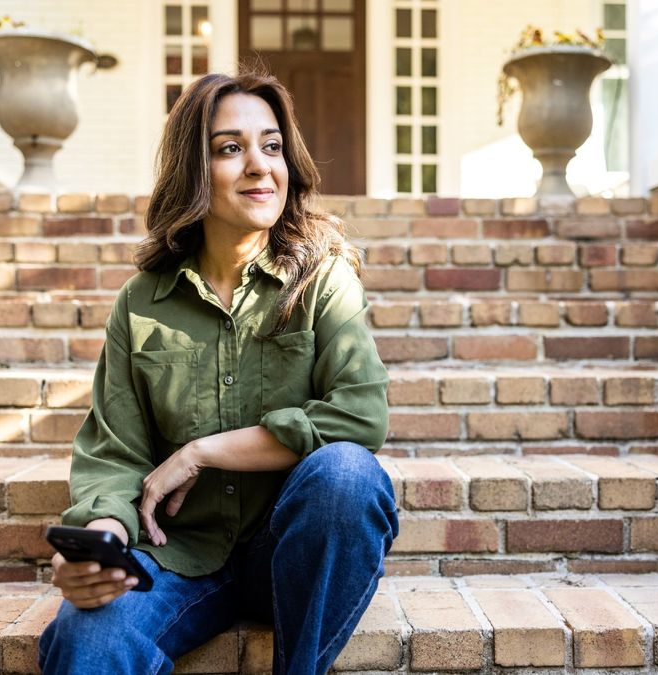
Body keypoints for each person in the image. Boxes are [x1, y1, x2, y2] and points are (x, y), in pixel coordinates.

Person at [36, 69, 397, 675]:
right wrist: (100, 542)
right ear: (193, 171)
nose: (260, 166)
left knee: (346, 475)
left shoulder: (323, 281)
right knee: (88, 639)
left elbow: (360, 416)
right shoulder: (141, 303)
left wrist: (203, 451)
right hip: (175, 555)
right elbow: (115, 453)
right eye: (231, 148)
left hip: (291, 551)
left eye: (272, 146)